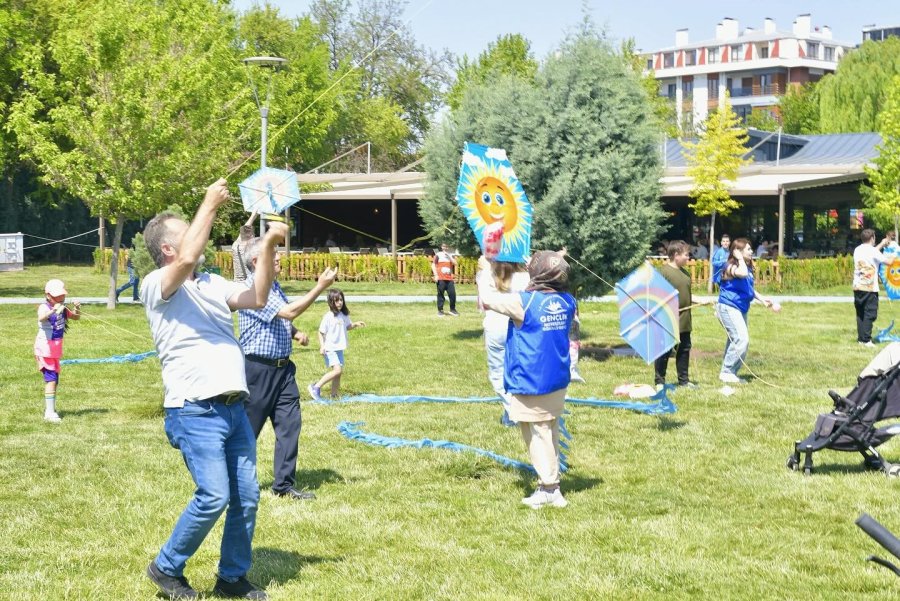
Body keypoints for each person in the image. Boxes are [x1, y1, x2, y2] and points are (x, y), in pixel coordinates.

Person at [141, 178, 286, 601]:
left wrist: (271, 246)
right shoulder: (158, 285)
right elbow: (187, 257)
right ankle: (166, 567)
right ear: (168, 249)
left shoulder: (212, 284)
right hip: (193, 410)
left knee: (246, 498)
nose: (196, 236)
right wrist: (208, 201)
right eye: (187, 230)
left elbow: (258, 298)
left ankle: (231, 578)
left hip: (232, 409)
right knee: (214, 495)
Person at [238, 236, 338, 502]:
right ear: (258, 262)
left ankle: (283, 485)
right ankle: (233, 483)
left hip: (283, 371)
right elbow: (289, 312)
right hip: (257, 371)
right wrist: (320, 287)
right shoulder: (253, 290)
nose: (280, 258)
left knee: (289, 426)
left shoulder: (273, 286)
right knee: (247, 432)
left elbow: (278, 319)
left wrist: (294, 334)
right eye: (274, 253)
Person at [479, 250, 576, 509]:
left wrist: (485, 267)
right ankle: (551, 482)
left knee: (538, 433)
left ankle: (549, 488)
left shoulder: (525, 303)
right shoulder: (568, 301)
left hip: (531, 379)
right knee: (549, 428)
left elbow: (488, 299)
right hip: (557, 378)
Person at [715, 237, 777, 384]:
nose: (751, 251)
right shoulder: (729, 266)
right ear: (738, 252)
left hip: (740, 307)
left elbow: (749, 288)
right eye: (748, 249)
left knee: (736, 340)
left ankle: (730, 372)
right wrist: (739, 258)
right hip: (728, 307)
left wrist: (762, 299)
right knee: (741, 339)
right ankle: (727, 372)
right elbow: (741, 273)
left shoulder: (747, 267)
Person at [476, 256, 530, 423]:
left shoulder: (487, 274)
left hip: (496, 328)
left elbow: (484, 300)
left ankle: (514, 413)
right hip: (519, 328)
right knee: (518, 371)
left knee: (498, 374)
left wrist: (485, 268)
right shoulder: (525, 277)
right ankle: (511, 414)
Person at [34, 278, 80, 423]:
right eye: (57, 296)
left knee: (54, 380)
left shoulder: (62, 308)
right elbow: (41, 318)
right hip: (45, 349)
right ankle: (49, 413)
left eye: (62, 296)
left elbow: (76, 317)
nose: (60, 298)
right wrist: (52, 311)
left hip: (54, 350)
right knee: (51, 379)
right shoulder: (45, 307)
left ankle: (51, 409)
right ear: (48, 295)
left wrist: (77, 308)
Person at [308, 289, 365, 401]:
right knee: (337, 370)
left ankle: (334, 395)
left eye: (341, 300)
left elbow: (347, 326)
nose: (339, 302)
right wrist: (322, 346)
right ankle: (315, 387)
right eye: (336, 301)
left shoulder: (343, 315)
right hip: (330, 348)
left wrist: (355, 324)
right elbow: (321, 332)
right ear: (331, 302)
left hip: (339, 348)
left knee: (338, 374)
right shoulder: (328, 316)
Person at [653, 241, 696, 389]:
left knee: (684, 349)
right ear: (676, 255)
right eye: (686, 254)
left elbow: (686, 294)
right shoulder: (664, 272)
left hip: (684, 319)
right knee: (664, 351)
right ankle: (659, 381)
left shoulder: (685, 272)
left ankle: (683, 380)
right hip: (668, 319)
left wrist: (698, 300)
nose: (688, 257)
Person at [853, 228, 892, 347]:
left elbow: (873, 251)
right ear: (872, 238)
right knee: (870, 313)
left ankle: (861, 339)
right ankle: (866, 340)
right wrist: (896, 252)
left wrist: (882, 243)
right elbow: (888, 262)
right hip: (870, 288)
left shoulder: (858, 249)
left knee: (860, 314)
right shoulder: (872, 251)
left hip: (857, 286)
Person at [432, 243, 458, 316]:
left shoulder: (450, 255)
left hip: (449, 278)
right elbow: (433, 265)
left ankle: (452, 310)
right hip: (440, 278)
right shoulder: (438, 255)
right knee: (441, 295)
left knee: (452, 294)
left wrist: (449, 256)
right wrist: (436, 275)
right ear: (441, 247)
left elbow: (455, 263)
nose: (445, 248)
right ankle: (440, 311)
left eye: (446, 246)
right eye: (444, 246)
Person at [232, 218, 255, 283]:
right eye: (252, 235)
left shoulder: (236, 246)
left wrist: (253, 215)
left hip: (237, 283)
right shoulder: (248, 253)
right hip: (247, 284)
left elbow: (244, 229)